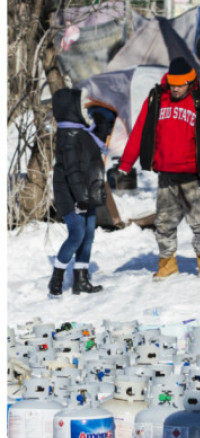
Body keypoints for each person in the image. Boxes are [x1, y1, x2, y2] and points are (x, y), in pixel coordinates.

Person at [118, 57, 200, 280]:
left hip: (191, 173)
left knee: (198, 220)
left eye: (180, 85)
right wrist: (126, 162)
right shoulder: (158, 99)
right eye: (172, 84)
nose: (175, 89)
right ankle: (167, 262)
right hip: (166, 172)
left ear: (190, 82)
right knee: (164, 221)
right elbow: (140, 130)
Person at [49, 88, 114, 297]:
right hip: (70, 193)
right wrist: (81, 198)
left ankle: (81, 280)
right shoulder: (68, 135)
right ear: (72, 110)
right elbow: (72, 171)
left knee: (88, 236)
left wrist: (102, 123)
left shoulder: (83, 131)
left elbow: (95, 146)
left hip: (87, 191)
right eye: (82, 105)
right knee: (77, 234)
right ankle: (57, 277)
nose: (86, 108)